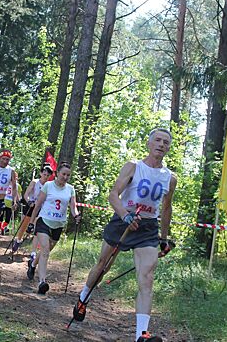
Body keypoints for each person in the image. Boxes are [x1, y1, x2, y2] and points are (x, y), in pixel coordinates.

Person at [71, 128, 177, 342]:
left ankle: (141, 335)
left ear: (168, 148)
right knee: (103, 265)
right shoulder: (133, 167)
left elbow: (166, 208)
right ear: (149, 143)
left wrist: (164, 238)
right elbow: (113, 194)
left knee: (147, 278)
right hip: (123, 221)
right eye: (157, 140)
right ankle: (83, 299)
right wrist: (124, 215)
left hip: (147, 229)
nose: (161, 144)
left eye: (166, 142)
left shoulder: (170, 178)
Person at [26, 162, 80, 295]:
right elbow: (38, 205)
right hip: (43, 221)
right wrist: (32, 222)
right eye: (63, 174)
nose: (65, 177)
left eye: (68, 175)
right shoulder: (48, 186)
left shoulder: (70, 189)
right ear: (57, 174)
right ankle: (42, 282)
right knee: (45, 250)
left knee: (47, 249)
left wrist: (76, 215)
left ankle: (33, 265)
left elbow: (73, 206)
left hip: (59, 224)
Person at [12, 163, 54, 252]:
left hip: (41, 208)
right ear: (41, 174)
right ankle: (18, 240)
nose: (45, 177)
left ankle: (34, 250)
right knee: (24, 225)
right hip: (31, 205)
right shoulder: (35, 182)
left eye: (47, 175)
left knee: (37, 228)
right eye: (44, 174)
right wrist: (28, 201)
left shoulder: (50, 185)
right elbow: (26, 194)